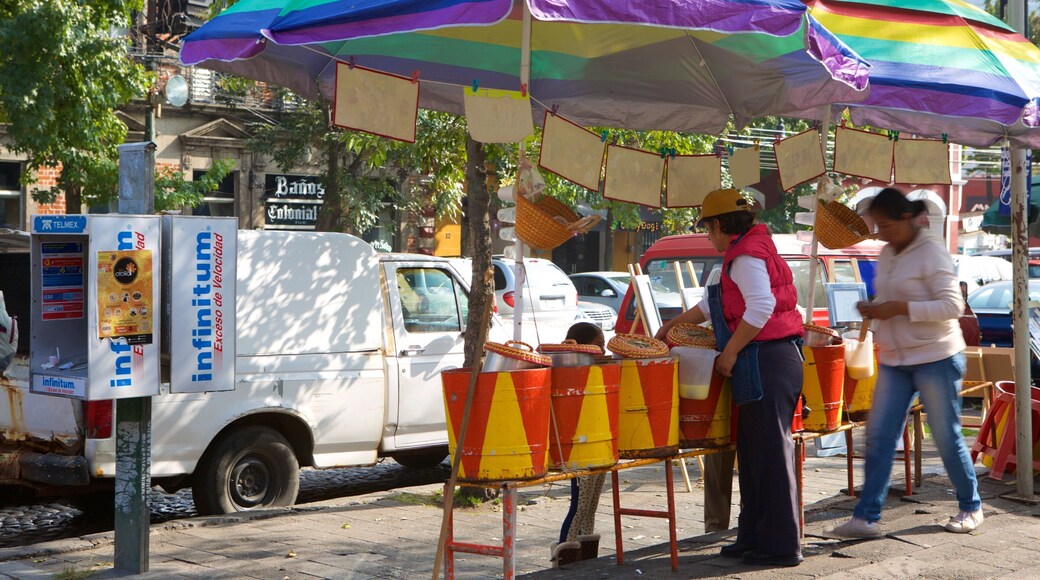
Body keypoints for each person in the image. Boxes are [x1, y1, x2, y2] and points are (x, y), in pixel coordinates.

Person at [656, 188, 805, 567]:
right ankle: (754, 536)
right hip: (769, 359)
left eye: (708, 228)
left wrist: (732, 351)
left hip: (766, 359)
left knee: (770, 454)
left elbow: (761, 306)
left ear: (720, 225)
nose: (708, 235)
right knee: (754, 454)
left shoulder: (745, 257)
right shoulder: (749, 251)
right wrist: (670, 327)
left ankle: (781, 546)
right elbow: (712, 305)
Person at [829, 188, 982, 539]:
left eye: (885, 224)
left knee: (946, 437)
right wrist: (875, 307)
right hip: (896, 359)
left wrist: (898, 308)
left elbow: (952, 307)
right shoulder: (887, 253)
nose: (880, 231)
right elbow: (889, 296)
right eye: (876, 225)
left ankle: (971, 506)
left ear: (906, 219)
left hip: (937, 355)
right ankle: (866, 518)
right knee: (880, 436)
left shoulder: (932, 252)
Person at [552, 321, 607, 566]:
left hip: (599, 444)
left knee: (590, 506)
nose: (603, 351)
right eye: (598, 346)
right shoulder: (569, 371)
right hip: (580, 449)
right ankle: (563, 561)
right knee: (579, 506)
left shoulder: (598, 369)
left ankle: (585, 561)